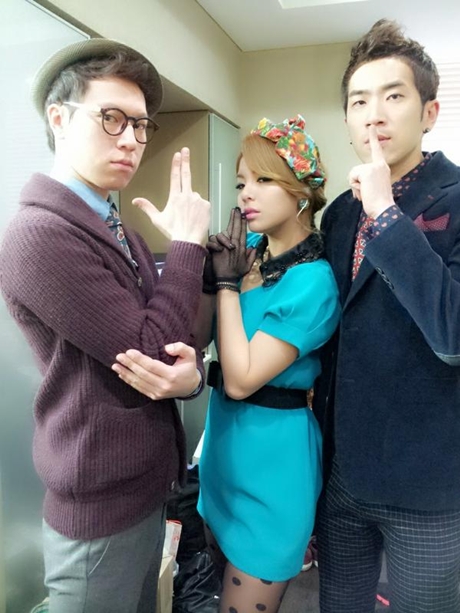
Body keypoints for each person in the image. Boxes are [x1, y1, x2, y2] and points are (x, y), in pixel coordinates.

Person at [0, 38, 210, 613]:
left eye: (140, 126)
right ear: (59, 118)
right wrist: (187, 245)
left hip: (144, 490)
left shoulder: (120, 228)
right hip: (97, 509)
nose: (131, 140)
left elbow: (172, 343)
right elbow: (152, 348)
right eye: (112, 118)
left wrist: (190, 376)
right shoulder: (39, 235)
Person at [115, 115, 341, 613]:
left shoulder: (314, 281)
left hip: (274, 468)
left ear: (302, 192)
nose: (246, 194)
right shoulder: (248, 255)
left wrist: (226, 284)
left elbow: (239, 379)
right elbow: (193, 342)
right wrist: (200, 271)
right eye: (241, 183)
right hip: (223, 454)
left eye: (264, 180)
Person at [312, 19, 460, 613]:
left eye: (393, 96)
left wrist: (386, 212)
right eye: (358, 101)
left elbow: (453, 334)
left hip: (427, 484)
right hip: (343, 475)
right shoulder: (339, 213)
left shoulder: (455, 199)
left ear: (429, 112)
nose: (373, 115)